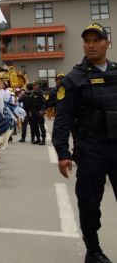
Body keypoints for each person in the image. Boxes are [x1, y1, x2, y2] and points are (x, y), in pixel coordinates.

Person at [53, 23, 117, 263]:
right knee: (90, 203)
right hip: (91, 149)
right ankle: (93, 251)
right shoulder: (74, 78)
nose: (90, 45)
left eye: (96, 40)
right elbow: (63, 117)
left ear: (106, 43)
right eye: (87, 41)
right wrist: (62, 152)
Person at [30, 81, 46, 145]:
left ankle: (43, 140)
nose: (34, 86)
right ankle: (38, 139)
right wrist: (30, 111)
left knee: (41, 126)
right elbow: (31, 103)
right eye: (33, 85)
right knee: (34, 126)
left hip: (39, 111)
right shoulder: (32, 93)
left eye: (35, 85)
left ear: (38, 85)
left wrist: (42, 110)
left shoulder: (41, 92)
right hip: (34, 112)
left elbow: (44, 102)